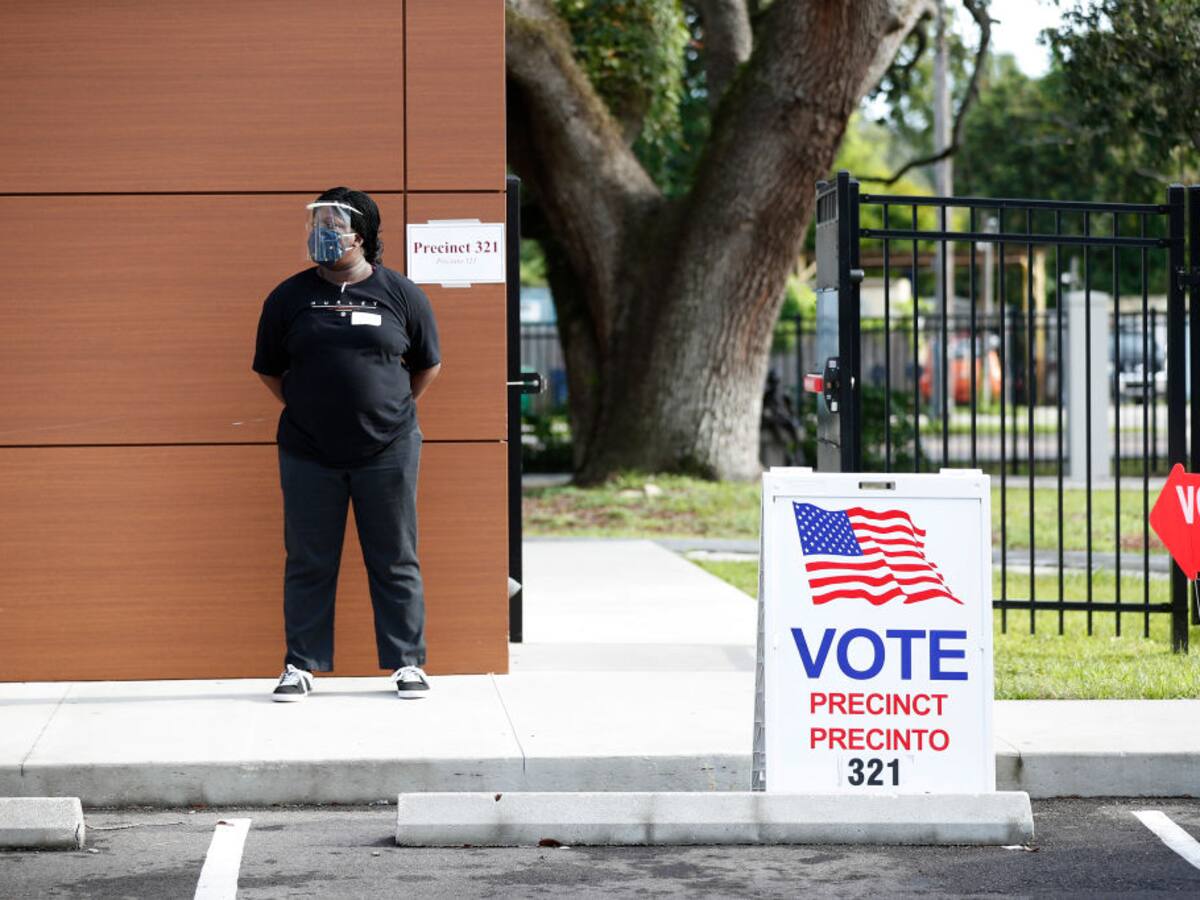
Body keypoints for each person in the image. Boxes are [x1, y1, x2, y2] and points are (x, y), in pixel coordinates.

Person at [252, 187, 441, 701]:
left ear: (361, 235)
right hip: (308, 451)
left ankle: (407, 663)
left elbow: (427, 364)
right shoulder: (288, 297)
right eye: (317, 224)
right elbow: (269, 369)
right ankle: (300, 665)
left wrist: (390, 410)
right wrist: (309, 408)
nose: (321, 234)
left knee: (394, 556)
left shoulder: (401, 293)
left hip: (389, 448)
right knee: (309, 559)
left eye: (332, 226)